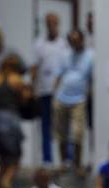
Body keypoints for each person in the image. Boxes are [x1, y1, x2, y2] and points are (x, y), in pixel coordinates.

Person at [0, 55, 28, 188]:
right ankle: (6, 181)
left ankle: (0, 181)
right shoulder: (17, 80)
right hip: (10, 119)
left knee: (1, 155)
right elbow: (25, 99)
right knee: (15, 157)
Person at [53, 29, 94, 171]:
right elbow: (58, 75)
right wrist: (54, 95)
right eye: (72, 41)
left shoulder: (90, 55)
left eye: (77, 41)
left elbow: (92, 78)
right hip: (61, 97)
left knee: (77, 133)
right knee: (61, 132)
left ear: (82, 40)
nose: (74, 44)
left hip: (79, 99)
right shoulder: (65, 55)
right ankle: (64, 163)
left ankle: (77, 164)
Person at [31, 13, 68, 166]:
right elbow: (34, 67)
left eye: (54, 23)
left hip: (62, 94)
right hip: (44, 92)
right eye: (48, 23)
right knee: (46, 126)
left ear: (58, 24)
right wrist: (33, 89)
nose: (51, 26)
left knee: (62, 127)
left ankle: (66, 159)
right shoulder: (39, 44)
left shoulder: (64, 44)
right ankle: (47, 159)